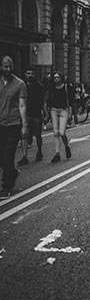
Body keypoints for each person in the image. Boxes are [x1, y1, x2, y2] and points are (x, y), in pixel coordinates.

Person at [0, 56, 27, 198]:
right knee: (1, 157)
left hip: (14, 123)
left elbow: (22, 105)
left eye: (10, 66)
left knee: (8, 155)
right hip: (0, 124)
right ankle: (12, 172)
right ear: (1, 67)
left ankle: (6, 187)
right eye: (5, 67)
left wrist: (24, 125)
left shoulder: (19, 83)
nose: (8, 69)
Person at [45, 71, 75, 162]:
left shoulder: (67, 87)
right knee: (55, 132)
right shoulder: (51, 88)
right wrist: (47, 113)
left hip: (63, 110)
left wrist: (70, 114)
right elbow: (47, 101)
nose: (56, 79)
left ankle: (66, 146)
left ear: (61, 78)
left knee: (62, 132)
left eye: (58, 77)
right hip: (54, 110)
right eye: (54, 78)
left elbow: (70, 102)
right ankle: (57, 153)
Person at [19, 67, 45, 164]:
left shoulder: (39, 86)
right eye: (28, 73)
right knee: (24, 135)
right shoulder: (22, 86)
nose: (30, 75)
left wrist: (45, 113)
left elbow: (43, 101)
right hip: (25, 114)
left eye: (32, 73)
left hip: (36, 114)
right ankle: (24, 156)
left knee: (38, 135)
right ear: (25, 74)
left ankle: (39, 151)